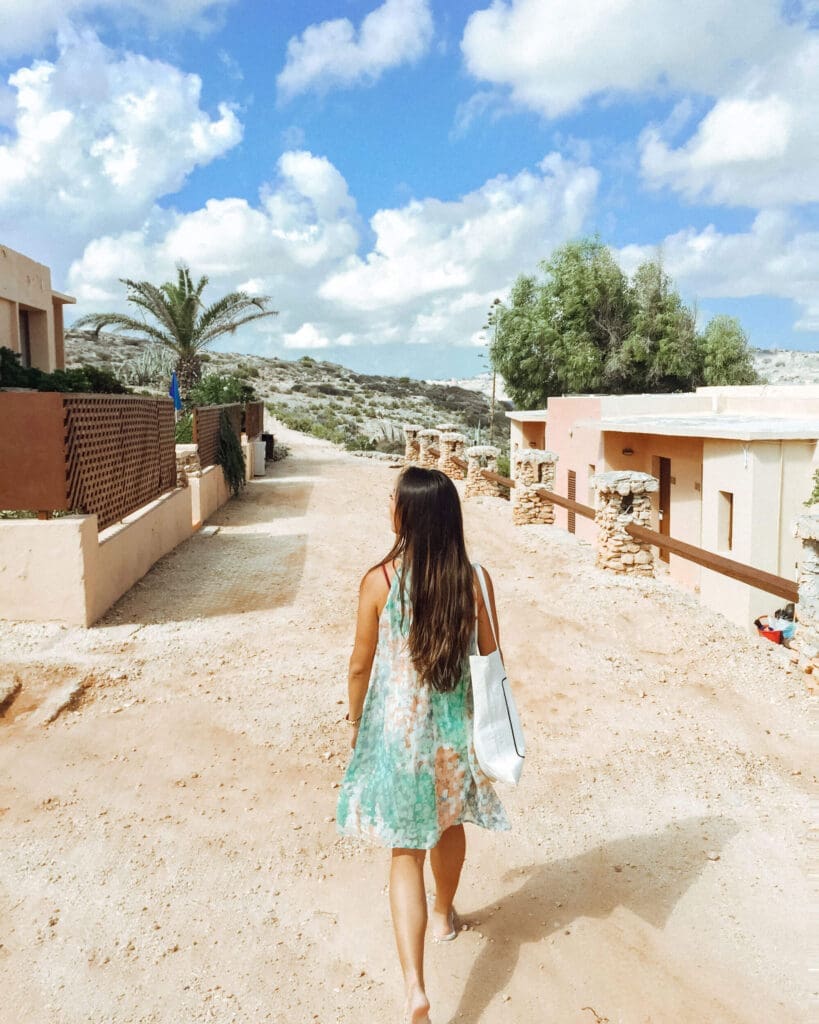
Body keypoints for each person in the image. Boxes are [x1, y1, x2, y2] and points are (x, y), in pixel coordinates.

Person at [336, 465, 510, 1024]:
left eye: (394, 498)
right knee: (449, 825)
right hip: (452, 738)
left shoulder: (380, 581)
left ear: (407, 514)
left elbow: (360, 663)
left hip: (398, 740)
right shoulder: (475, 581)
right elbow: (490, 656)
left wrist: (356, 719)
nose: (389, 503)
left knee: (404, 850)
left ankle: (415, 987)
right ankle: (442, 915)